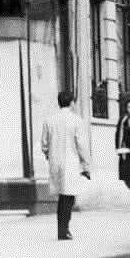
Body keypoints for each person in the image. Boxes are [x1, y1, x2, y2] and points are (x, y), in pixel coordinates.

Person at [40, 90, 93, 240]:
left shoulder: (49, 120)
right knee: (68, 197)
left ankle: (61, 229)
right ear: (71, 103)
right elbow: (81, 145)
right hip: (71, 161)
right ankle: (64, 229)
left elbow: (44, 144)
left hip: (55, 161)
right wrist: (86, 165)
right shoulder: (76, 120)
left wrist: (48, 155)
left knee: (62, 196)